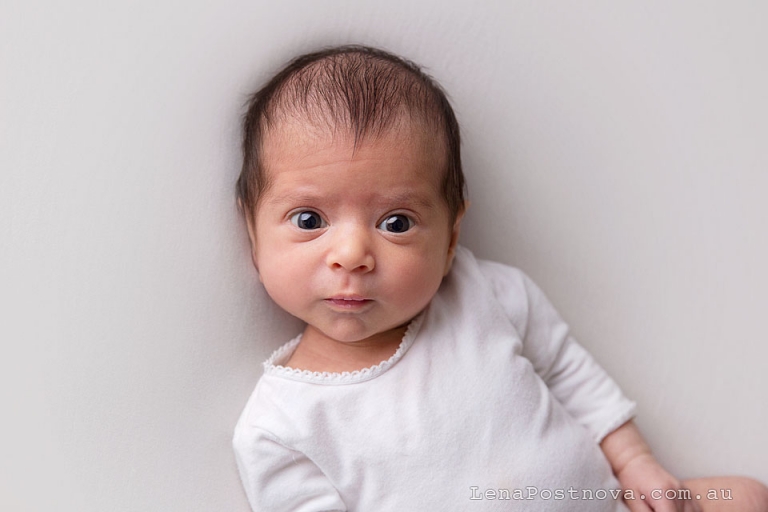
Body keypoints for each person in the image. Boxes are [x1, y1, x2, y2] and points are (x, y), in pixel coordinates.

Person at [232, 45, 768, 511]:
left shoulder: (481, 293)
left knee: (745, 497)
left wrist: (635, 463)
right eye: (309, 220)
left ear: (450, 238)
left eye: (396, 223)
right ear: (252, 232)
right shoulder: (281, 429)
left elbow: (569, 374)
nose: (351, 255)